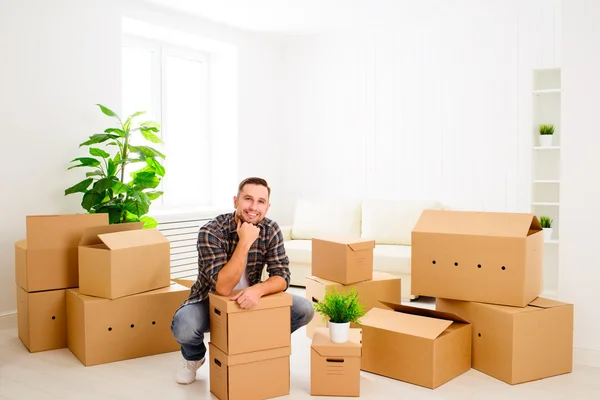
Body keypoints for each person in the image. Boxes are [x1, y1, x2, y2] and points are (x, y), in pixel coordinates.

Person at [170, 177, 315, 384]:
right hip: (211, 303)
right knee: (184, 325)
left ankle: (258, 346)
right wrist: (245, 242)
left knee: (304, 309)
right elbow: (223, 288)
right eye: (248, 199)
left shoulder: (271, 229)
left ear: (267, 206)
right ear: (235, 201)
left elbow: (282, 277)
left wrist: (258, 290)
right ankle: (194, 357)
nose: (253, 207)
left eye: (260, 202)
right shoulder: (211, 231)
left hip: (252, 300)